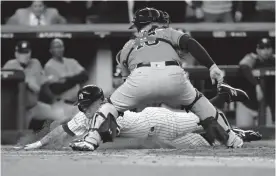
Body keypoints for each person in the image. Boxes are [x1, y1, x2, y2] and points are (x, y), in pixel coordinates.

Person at [69, 7, 244, 152]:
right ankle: (233, 139)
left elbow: (127, 80)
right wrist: (212, 66)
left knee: (110, 106)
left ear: (138, 26)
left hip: (140, 76)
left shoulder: (128, 45)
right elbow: (190, 43)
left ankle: (91, 140)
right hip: (174, 75)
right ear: (155, 22)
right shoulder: (167, 32)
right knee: (201, 104)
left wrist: (132, 104)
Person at [21, 84, 260, 150]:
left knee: (205, 118)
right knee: (204, 142)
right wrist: (38, 144)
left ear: (98, 101)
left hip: (159, 121)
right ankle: (237, 133)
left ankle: (224, 96)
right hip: (156, 138)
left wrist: (85, 142)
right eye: (81, 105)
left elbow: (107, 135)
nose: (82, 109)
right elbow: (64, 129)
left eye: (86, 104)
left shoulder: (109, 108)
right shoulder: (87, 116)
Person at [2, 41, 67, 128]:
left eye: (26, 52)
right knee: (19, 136)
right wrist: (24, 79)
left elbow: (38, 87)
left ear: (30, 53)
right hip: (17, 111)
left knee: (61, 114)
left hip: (34, 107)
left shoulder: (35, 63)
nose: (24, 55)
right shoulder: (10, 65)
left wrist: (55, 99)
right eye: (21, 53)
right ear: (16, 54)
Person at [44, 38, 89, 118]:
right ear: (51, 50)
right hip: (61, 105)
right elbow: (57, 89)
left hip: (76, 104)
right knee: (61, 129)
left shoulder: (71, 61)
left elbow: (85, 76)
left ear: (63, 48)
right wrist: (76, 79)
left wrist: (67, 79)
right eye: (56, 47)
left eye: (60, 47)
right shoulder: (49, 66)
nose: (59, 49)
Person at [238, 38, 275, 127]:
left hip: (266, 108)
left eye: (268, 48)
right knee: (244, 136)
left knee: (268, 137)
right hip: (247, 106)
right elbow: (243, 66)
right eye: (262, 48)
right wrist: (257, 85)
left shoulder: (274, 60)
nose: (265, 51)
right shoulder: (252, 58)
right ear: (257, 50)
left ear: (272, 49)